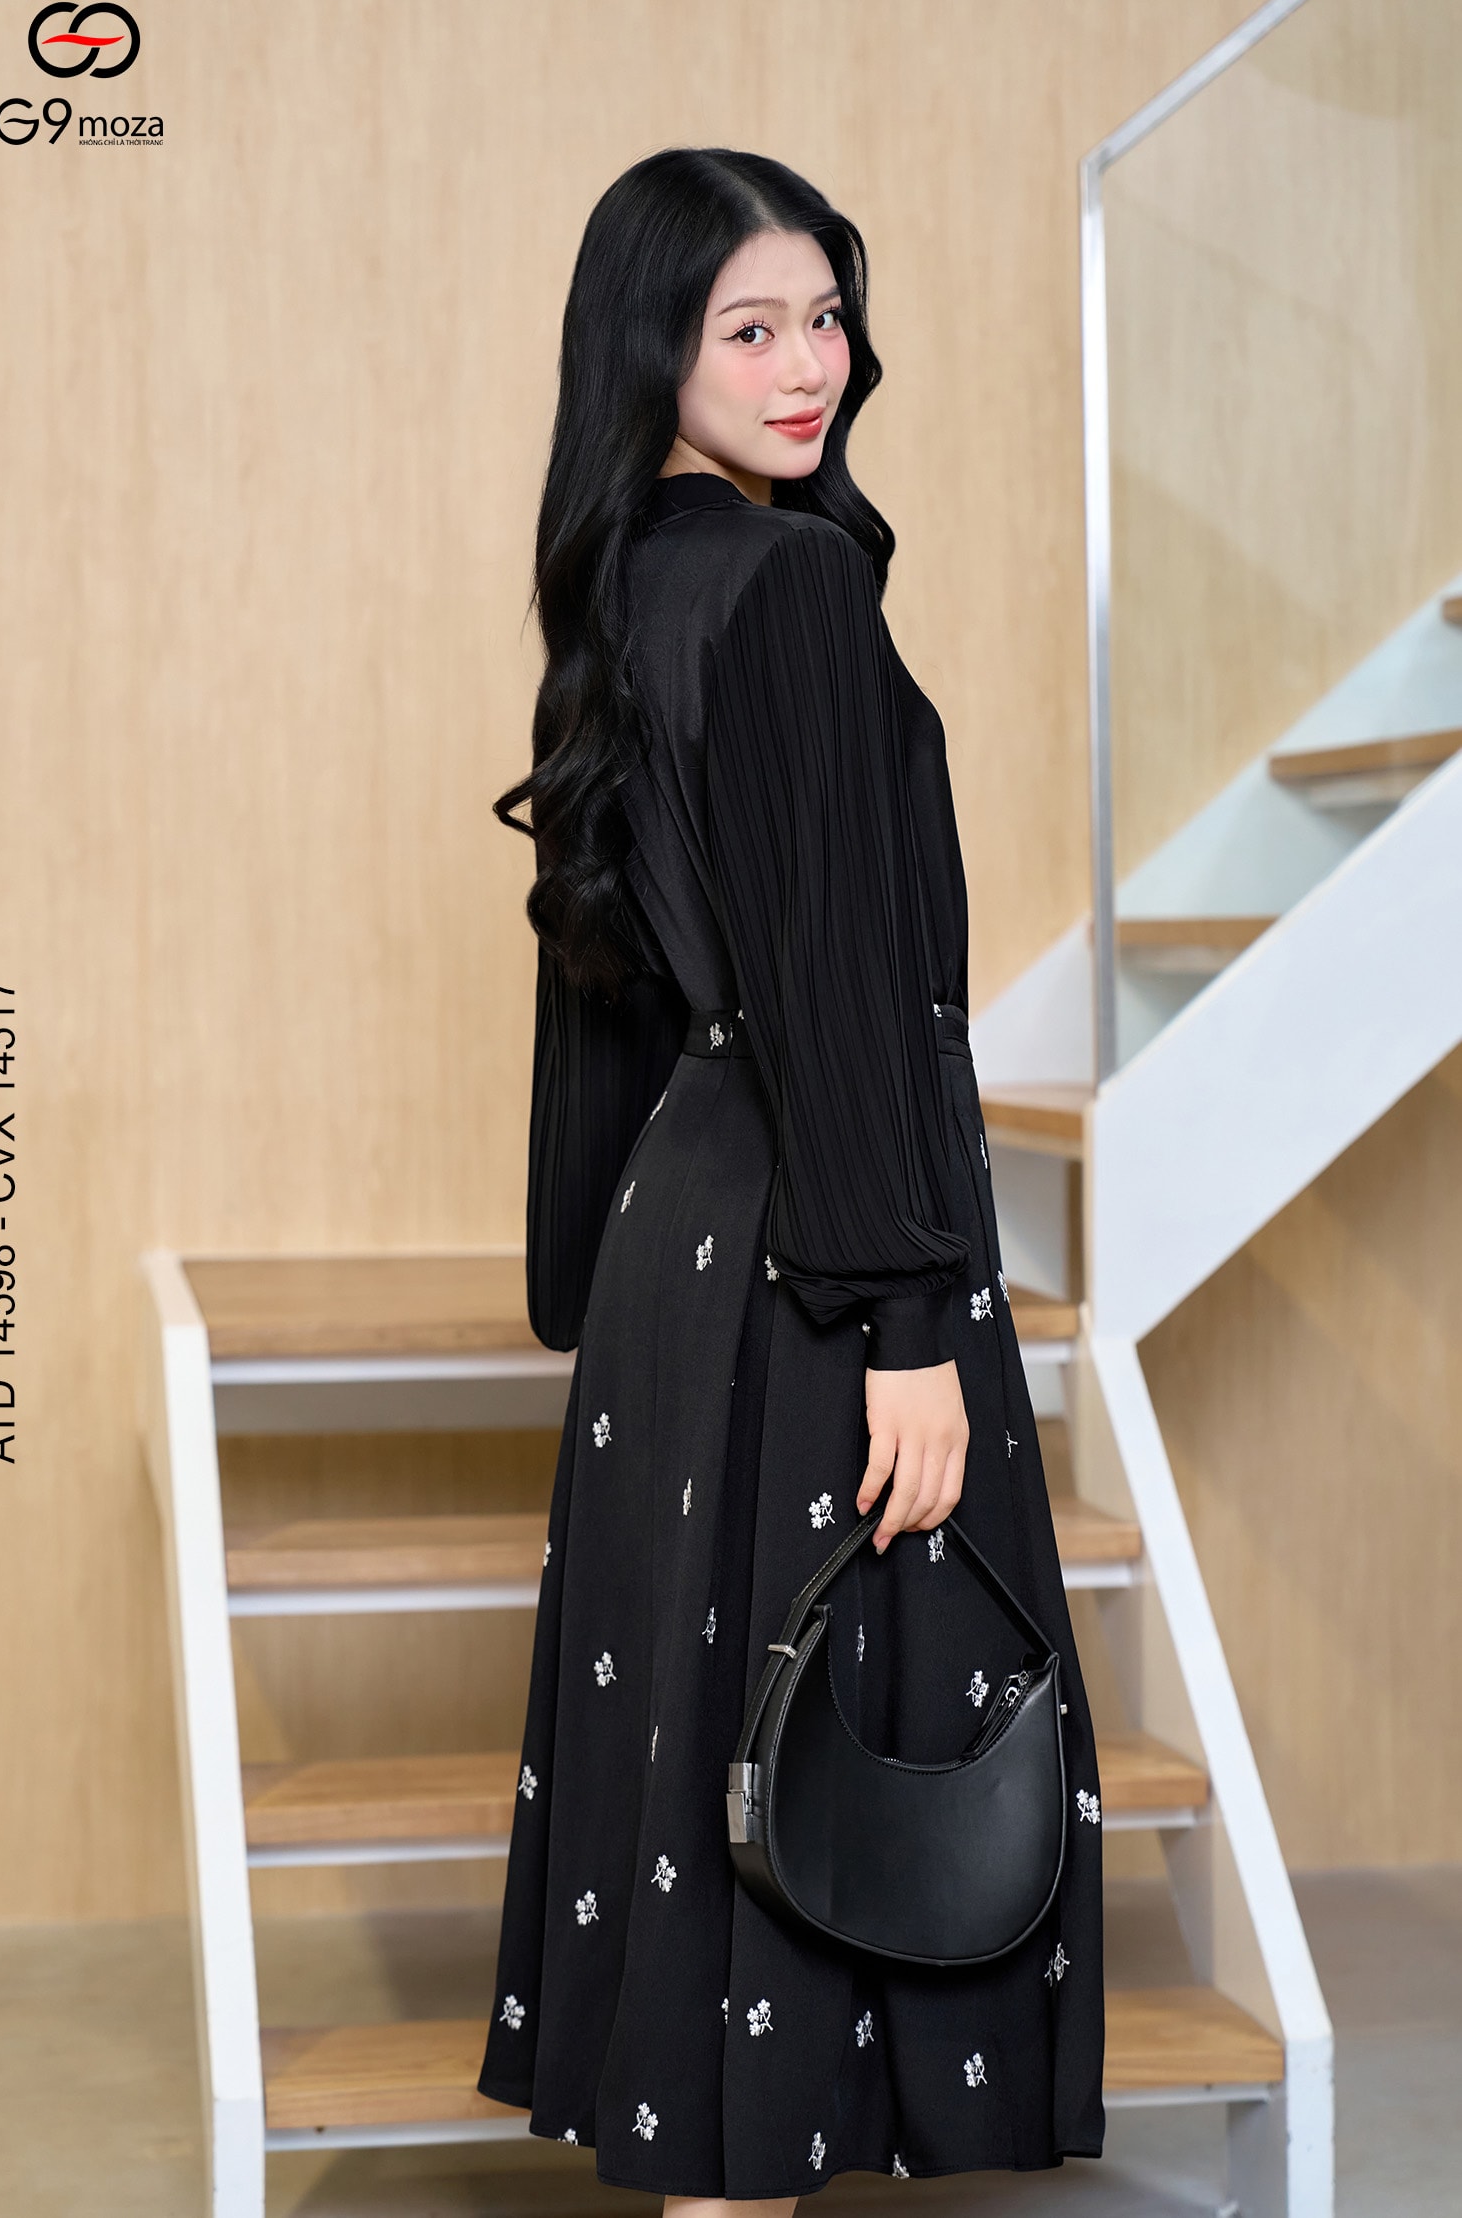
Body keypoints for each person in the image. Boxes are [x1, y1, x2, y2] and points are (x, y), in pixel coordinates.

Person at [478, 146, 1104, 2208]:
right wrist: (906, 1316)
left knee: (718, 1778)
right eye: (750, 327)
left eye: (825, 315)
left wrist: (591, 1288)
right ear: (650, 347)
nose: (807, 362)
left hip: (686, 1251)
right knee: (811, 1778)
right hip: (821, 1256)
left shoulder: (623, 585)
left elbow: (607, 985)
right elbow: (840, 982)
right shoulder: (791, 586)